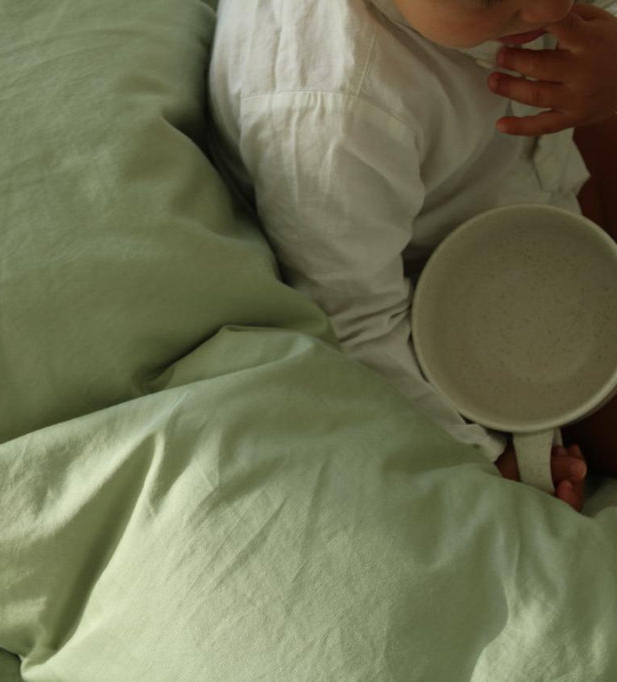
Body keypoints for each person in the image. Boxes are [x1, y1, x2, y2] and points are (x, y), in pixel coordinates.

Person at [208, 0, 617, 511]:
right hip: (432, 284)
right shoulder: (334, 116)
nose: (553, 7)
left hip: (516, 175)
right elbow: (356, 326)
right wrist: (482, 456)